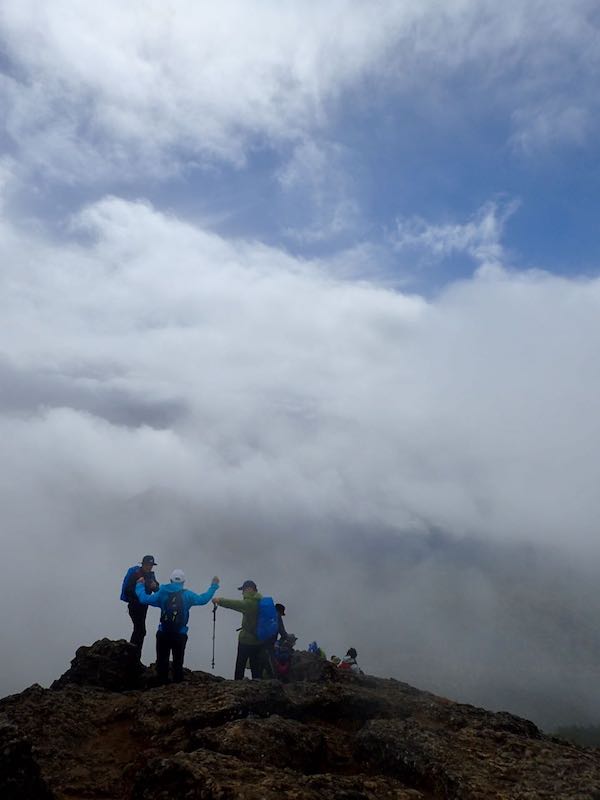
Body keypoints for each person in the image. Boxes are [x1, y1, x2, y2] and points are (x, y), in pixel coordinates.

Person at [136, 569, 219, 684]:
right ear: (183, 582)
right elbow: (203, 599)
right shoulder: (187, 595)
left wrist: (139, 585)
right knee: (177, 663)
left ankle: (161, 686)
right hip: (180, 634)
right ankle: (177, 686)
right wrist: (214, 586)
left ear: (170, 580)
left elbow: (144, 599)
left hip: (163, 633)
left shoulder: (162, 593)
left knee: (162, 662)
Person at [212, 579, 268, 680]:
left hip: (246, 640)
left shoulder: (251, 603)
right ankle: (257, 686)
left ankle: (237, 683)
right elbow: (241, 606)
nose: (242, 592)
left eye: (243, 590)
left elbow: (235, 604)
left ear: (250, 589)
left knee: (240, 665)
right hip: (258, 640)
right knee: (255, 665)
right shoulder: (260, 601)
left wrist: (219, 601)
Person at [120, 555, 159, 657]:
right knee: (140, 630)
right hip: (134, 606)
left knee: (140, 630)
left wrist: (155, 587)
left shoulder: (150, 576)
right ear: (143, 564)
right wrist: (138, 591)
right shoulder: (136, 574)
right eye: (147, 564)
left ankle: (133, 655)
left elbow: (156, 589)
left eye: (151, 565)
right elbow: (127, 590)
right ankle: (133, 655)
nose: (149, 567)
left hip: (143, 607)